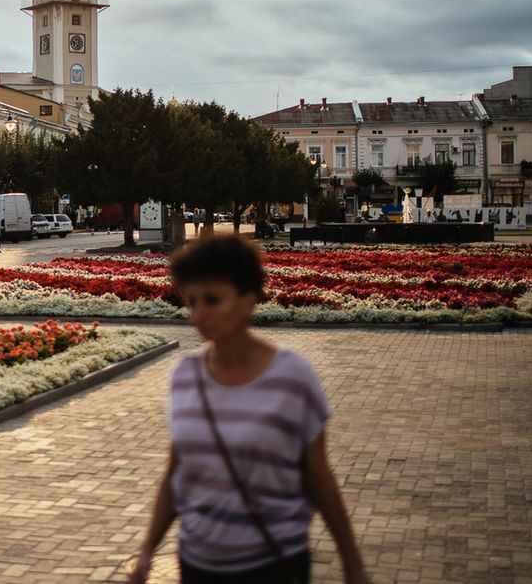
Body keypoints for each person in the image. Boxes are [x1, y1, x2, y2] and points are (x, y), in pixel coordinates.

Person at [129, 236, 368, 584]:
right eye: (192, 301)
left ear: (248, 300)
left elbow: (320, 477)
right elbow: (175, 474)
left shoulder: (292, 376)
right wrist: (147, 551)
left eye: (212, 299)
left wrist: (352, 563)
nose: (199, 314)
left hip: (273, 564)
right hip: (196, 563)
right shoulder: (185, 376)